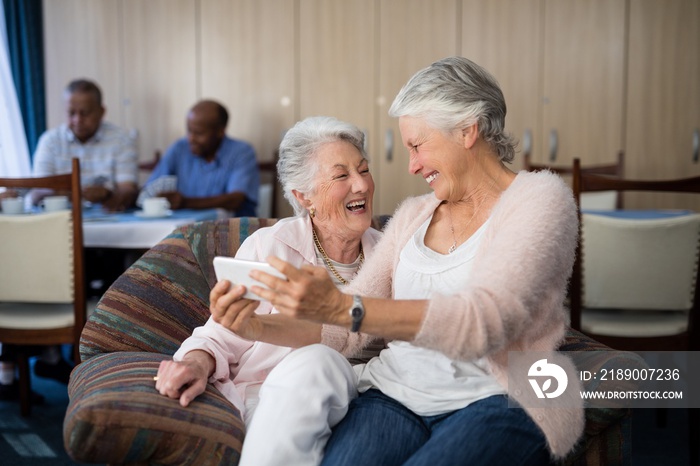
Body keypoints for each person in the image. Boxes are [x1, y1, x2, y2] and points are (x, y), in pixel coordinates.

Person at [210, 56, 584, 465]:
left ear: (467, 129)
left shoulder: (540, 200)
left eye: (418, 145)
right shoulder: (413, 214)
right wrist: (256, 326)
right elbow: (343, 333)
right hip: (394, 394)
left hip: (503, 397)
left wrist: (342, 306)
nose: (412, 165)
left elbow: (485, 320)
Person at [155, 116, 381, 465]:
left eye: (363, 170)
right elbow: (223, 330)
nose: (362, 185)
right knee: (318, 360)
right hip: (276, 397)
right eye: (341, 176)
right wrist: (195, 364)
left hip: (366, 399)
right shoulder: (270, 247)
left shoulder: (391, 253)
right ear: (304, 197)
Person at [32, 78, 139, 211]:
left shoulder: (121, 140)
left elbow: (128, 189)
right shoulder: (49, 141)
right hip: (60, 221)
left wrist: (108, 194)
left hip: (109, 219)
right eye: (71, 113)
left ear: (101, 112)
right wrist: (60, 194)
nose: (77, 120)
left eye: (85, 113)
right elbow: (37, 193)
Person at [141, 100, 260, 216]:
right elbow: (150, 189)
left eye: (198, 133)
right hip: (185, 227)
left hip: (232, 230)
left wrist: (186, 202)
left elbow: (235, 200)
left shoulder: (242, 151)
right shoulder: (179, 148)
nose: (191, 139)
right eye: (189, 130)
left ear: (220, 131)